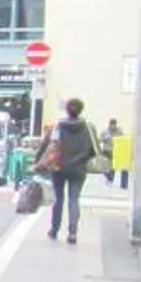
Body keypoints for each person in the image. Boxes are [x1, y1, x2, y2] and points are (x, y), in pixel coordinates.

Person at [38, 96, 100, 245]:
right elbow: (95, 150)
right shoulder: (89, 128)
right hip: (78, 169)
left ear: (67, 110)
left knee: (58, 199)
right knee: (74, 199)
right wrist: (82, 158)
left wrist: (38, 160)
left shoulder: (58, 126)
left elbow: (46, 145)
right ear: (81, 110)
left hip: (59, 167)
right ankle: (72, 233)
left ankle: (54, 229)